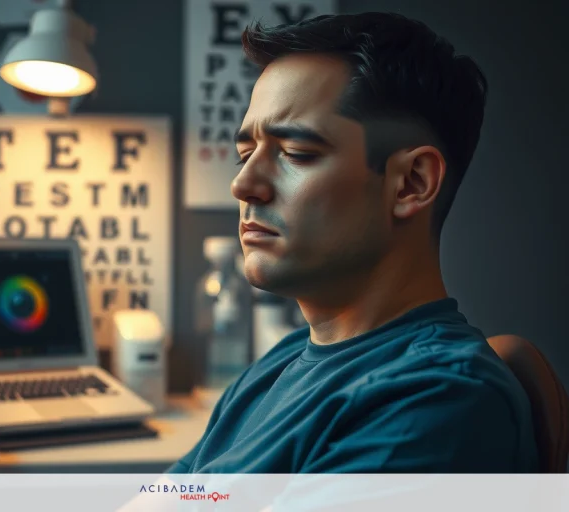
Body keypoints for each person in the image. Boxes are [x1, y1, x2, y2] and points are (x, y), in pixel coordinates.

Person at [170, 12, 539, 473]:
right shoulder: (280, 363)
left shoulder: (436, 402)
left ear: (411, 183)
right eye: (246, 155)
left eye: (297, 154)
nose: (243, 185)